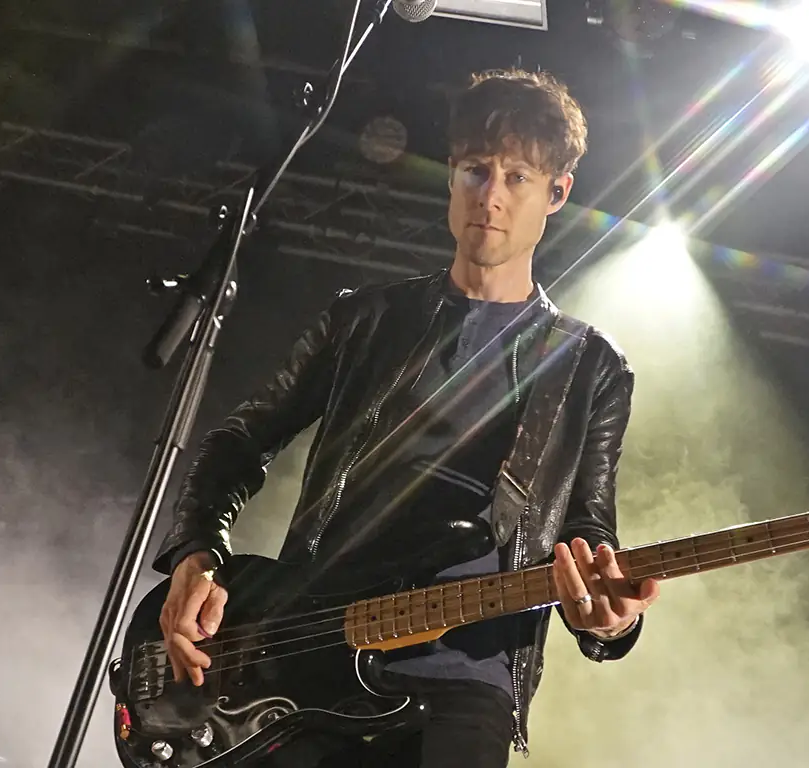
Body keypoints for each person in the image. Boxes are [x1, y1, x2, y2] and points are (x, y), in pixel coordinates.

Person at [151, 68, 661, 767]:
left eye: (518, 176)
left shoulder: (590, 365)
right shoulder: (362, 320)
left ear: (557, 194)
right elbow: (239, 440)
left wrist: (608, 623)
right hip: (303, 655)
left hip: (465, 681)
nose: (492, 195)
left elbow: (587, 532)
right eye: (476, 171)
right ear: (450, 177)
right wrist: (196, 556)